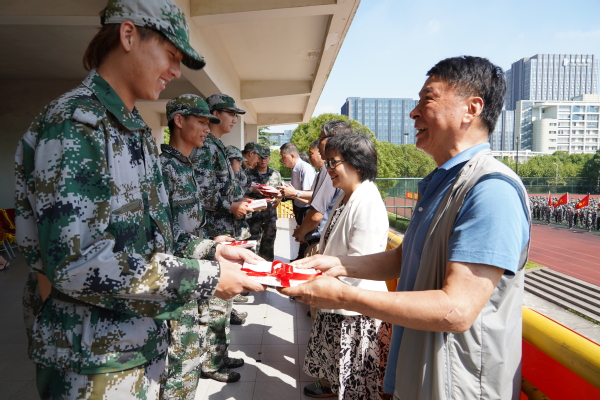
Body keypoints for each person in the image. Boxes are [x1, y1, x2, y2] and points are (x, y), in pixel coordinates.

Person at [14, 2, 264, 399]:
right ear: (128, 36)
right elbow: (76, 262)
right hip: (91, 364)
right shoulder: (75, 124)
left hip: (136, 347)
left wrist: (210, 251)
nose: (176, 71)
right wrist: (206, 278)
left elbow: (154, 239)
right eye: (170, 54)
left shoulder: (134, 134)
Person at [283, 56, 531, 400]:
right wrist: (337, 265)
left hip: (457, 384)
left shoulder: (490, 190)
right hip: (424, 370)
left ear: (471, 108)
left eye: (427, 99)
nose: (413, 113)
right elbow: (404, 257)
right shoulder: (444, 182)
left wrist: (342, 294)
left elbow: (456, 309)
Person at [302, 133, 391, 399]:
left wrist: (321, 282)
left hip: (354, 310)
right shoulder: (346, 196)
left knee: (356, 384)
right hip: (338, 300)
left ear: (358, 164)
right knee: (339, 376)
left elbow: (362, 263)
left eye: (333, 163)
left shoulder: (368, 202)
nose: (328, 169)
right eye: (327, 163)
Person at [160, 94, 224, 399]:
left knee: (193, 357)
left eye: (209, 123)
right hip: (174, 279)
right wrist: (211, 248)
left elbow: (191, 224)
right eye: (201, 122)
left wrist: (214, 243)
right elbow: (165, 237)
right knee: (179, 367)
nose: (207, 129)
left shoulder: (186, 166)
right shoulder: (163, 168)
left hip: (193, 275)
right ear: (179, 120)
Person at [191, 93, 252, 383]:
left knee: (223, 303)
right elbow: (202, 194)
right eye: (230, 113)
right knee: (215, 301)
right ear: (215, 113)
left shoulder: (217, 146)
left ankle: (219, 354)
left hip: (223, 229)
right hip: (213, 231)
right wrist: (230, 206)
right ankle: (212, 362)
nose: (234, 119)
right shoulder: (206, 149)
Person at [292, 121, 351, 258]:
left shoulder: (328, 170)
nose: (318, 145)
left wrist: (301, 232)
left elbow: (317, 214)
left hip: (321, 245)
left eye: (320, 139)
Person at [278, 142, 316, 260]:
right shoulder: (295, 169)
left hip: (306, 209)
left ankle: (303, 260)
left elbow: (309, 196)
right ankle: (300, 258)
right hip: (299, 208)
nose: (282, 160)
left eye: (284, 157)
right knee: (300, 236)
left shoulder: (306, 168)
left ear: (292, 155)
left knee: (306, 237)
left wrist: (292, 194)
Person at [246, 146, 283, 261]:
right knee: (252, 247)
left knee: (268, 246)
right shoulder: (248, 174)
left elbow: (281, 192)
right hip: (253, 217)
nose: (262, 160)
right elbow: (241, 192)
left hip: (269, 217)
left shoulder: (275, 174)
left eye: (265, 158)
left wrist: (279, 199)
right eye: (260, 157)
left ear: (269, 159)